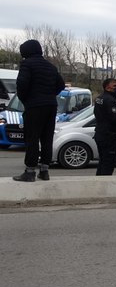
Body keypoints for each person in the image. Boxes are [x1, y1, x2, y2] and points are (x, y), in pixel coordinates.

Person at [12, 39, 65, 182]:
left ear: (26, 52)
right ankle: (44, 170)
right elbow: (61, 85)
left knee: (32, 138)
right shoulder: (51, 66)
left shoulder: (27, 64)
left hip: (34, 106)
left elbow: (21, 85)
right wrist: (49, 95)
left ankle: (30, 172)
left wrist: (27, 100)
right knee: (47, 138)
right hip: (51, 106)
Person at [94, 78, 116, 175]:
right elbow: (115, 118)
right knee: (108, 163)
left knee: (103, 162)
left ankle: (98, 183)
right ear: (107, 88)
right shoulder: (109, 100)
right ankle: (103, 186)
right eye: (115, 86)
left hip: (101, 134)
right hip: (108, 136)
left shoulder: (100, 98)